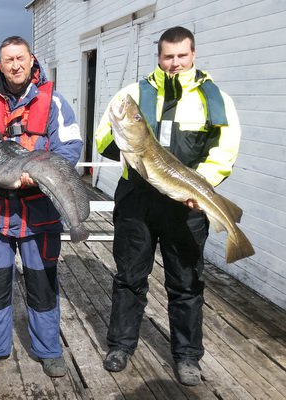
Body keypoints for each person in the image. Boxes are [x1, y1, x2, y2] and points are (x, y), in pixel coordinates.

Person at [94, 26, 242, 386]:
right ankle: (121, 345)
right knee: (129, 278)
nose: (174, 63)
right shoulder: (132, 94)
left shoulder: (214, 98)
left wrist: (201, 184)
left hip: (186, 204)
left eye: (181, 56)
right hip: (137, 203)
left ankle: (188, 356)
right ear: (158, 57)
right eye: (168, 56)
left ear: (193, 55)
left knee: (187, 283)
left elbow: (224, 150)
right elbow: (102, 141)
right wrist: (122, 132)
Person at [0, 36, 83, 377]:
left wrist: (38, 174)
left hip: (38, 213)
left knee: (42, 282)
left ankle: (49, 350)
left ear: (30, 59)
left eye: (20, 58)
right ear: (1, 63)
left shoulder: (53, 102)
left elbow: (70, 148)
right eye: (8, 59)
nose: (15, 65)